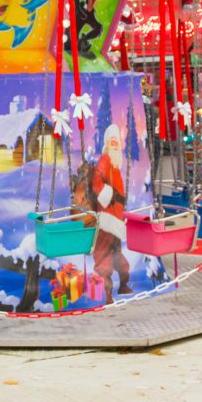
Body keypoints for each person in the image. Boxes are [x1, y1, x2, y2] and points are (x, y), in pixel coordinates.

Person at [91, 123, 131, 301]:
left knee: (118, 257)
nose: (115, 144)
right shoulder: (105, 160)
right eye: (112, 141)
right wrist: (109, 195)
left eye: (117, 141)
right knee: (104, 257)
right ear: (107, 143)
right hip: (108, 217)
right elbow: (97, 183)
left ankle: (123, 284)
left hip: (116, 218)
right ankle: (107, 293)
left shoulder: (115, 163)